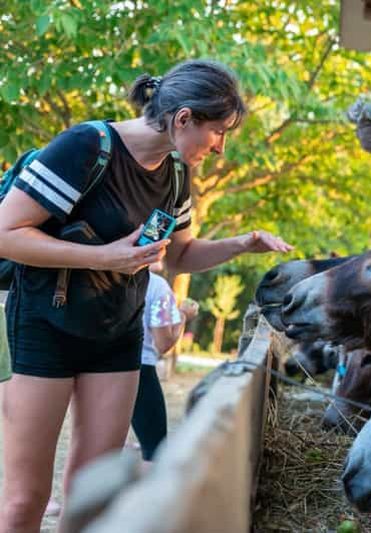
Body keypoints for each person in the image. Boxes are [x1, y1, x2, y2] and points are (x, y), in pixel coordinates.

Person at [0, 60, 293, 532]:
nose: (220, 148)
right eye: (218, 132)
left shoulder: (176, 174)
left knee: (94, 497)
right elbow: (6, 233)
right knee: (24, 502)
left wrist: (243, 243)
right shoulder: (86, 146)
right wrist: (103, 258)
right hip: (43, 328)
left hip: (117, 335)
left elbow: (180, 254)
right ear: (184, 118)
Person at [130, 264, 198, 463]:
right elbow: (163, 344)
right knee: (155, 450)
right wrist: (183, 315)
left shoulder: (104, 275)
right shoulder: (157, 286)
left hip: (99, 369)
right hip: (140, 369)